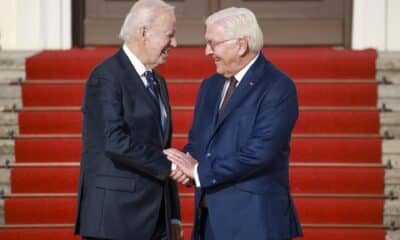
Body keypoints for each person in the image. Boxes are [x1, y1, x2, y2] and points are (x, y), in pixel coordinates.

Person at [164, 7, 303, 240]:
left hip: (255, 223)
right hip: (209, 220)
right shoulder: (210, 85)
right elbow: (200, 142)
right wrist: (184, 163)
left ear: (240, 45)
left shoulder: (277, 87)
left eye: (213, 43)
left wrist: (198, 171)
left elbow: (259, 153)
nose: (207, 52)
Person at [74, 1, 184, 239]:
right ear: (144, 32)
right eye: (169, 35)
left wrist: (173, 214)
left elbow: (162, 148)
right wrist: (173, 168)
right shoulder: (106, 76)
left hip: (155, 218)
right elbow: (114, 141)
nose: (174, 43)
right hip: (116, 219)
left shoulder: (158, 81)